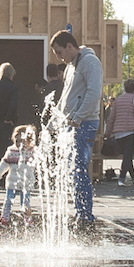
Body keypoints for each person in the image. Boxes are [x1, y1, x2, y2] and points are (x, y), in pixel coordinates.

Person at [51, 32, 104, 222]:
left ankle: (84, 214)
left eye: (59, 52)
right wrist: (52, 123)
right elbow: (65, 98)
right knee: (71, 169)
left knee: (79, 168)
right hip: (71, 123)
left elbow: (94, 92)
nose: (59, 57)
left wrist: (79, 117)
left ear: (69, 46)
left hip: (84, 123)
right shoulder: (70, 67)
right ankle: (80, 211)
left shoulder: (90, 62)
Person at [104, 77, 134, 187]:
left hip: (118, 132)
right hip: (130, 131)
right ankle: (121, 178)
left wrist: (107, 132)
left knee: (127, 155)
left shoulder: (118, 100)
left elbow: (111, 118)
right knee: (127, 155)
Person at [0, 125, 37, 224]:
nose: (19, 144)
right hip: (12, 182)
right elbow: (4, 164)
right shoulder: (12, 150)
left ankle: (28, 219)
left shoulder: (33, 151)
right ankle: (4, 218)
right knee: (7, 202)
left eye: (22, 141)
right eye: (17, 141)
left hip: (26, 183)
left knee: (25, 203)